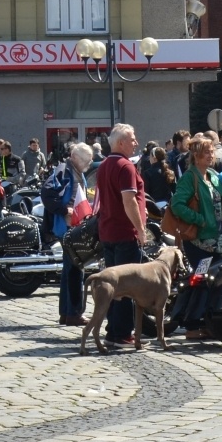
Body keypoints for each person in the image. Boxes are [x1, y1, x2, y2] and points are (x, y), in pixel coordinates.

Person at [95, 124, 152, 348]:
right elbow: (129, 202)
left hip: (108, 231)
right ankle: (122, 334)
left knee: (113, 287)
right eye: (132, 139)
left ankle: (113, 331)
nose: (136, 142)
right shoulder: (125, 166)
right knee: (127, 288)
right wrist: (140, 229)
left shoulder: (103, 166)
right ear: (121, 143)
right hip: (124, 233)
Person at [170, 135, 222, 340]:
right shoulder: (189, 177)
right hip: (199, 241)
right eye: (207, 152)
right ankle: (191, 324)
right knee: (201, 280)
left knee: (212, 281)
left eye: (212, 151)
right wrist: (200, 219)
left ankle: (206, 323)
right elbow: (177, 205)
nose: (211, 155)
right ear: (196, 155)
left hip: (217, 239)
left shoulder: (212, 175)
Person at [55, 143, 95, 327]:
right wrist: (65, 210)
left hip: (74, 227)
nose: (90, 163)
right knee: (75, 269)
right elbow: (47, 194)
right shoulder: (65, 170)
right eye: (87, 160)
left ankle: (66, 313)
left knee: (69, 270)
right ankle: (73, 313)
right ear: (76, 157)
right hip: (69, 227)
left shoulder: (75, 170)